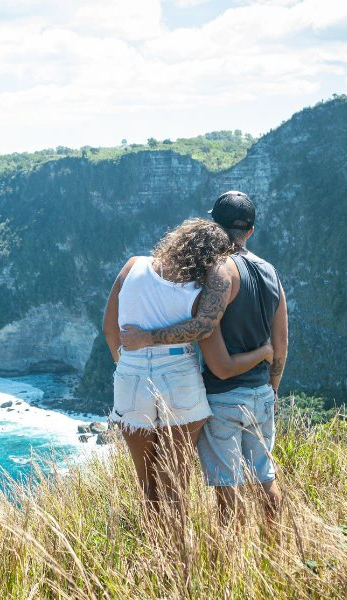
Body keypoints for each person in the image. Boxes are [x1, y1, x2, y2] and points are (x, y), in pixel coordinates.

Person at [120, 191, 288, 526]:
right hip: (261, 394)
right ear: (251, 231)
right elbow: (281, 344)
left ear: (214, 225)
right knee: (264, 478)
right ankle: (276, 549)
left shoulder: (218, 273)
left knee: (229, 490)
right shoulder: (270, 272)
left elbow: (212, 346)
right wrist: (271, 388)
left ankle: (232, 563)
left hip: (224, 399)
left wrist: (146, 338)